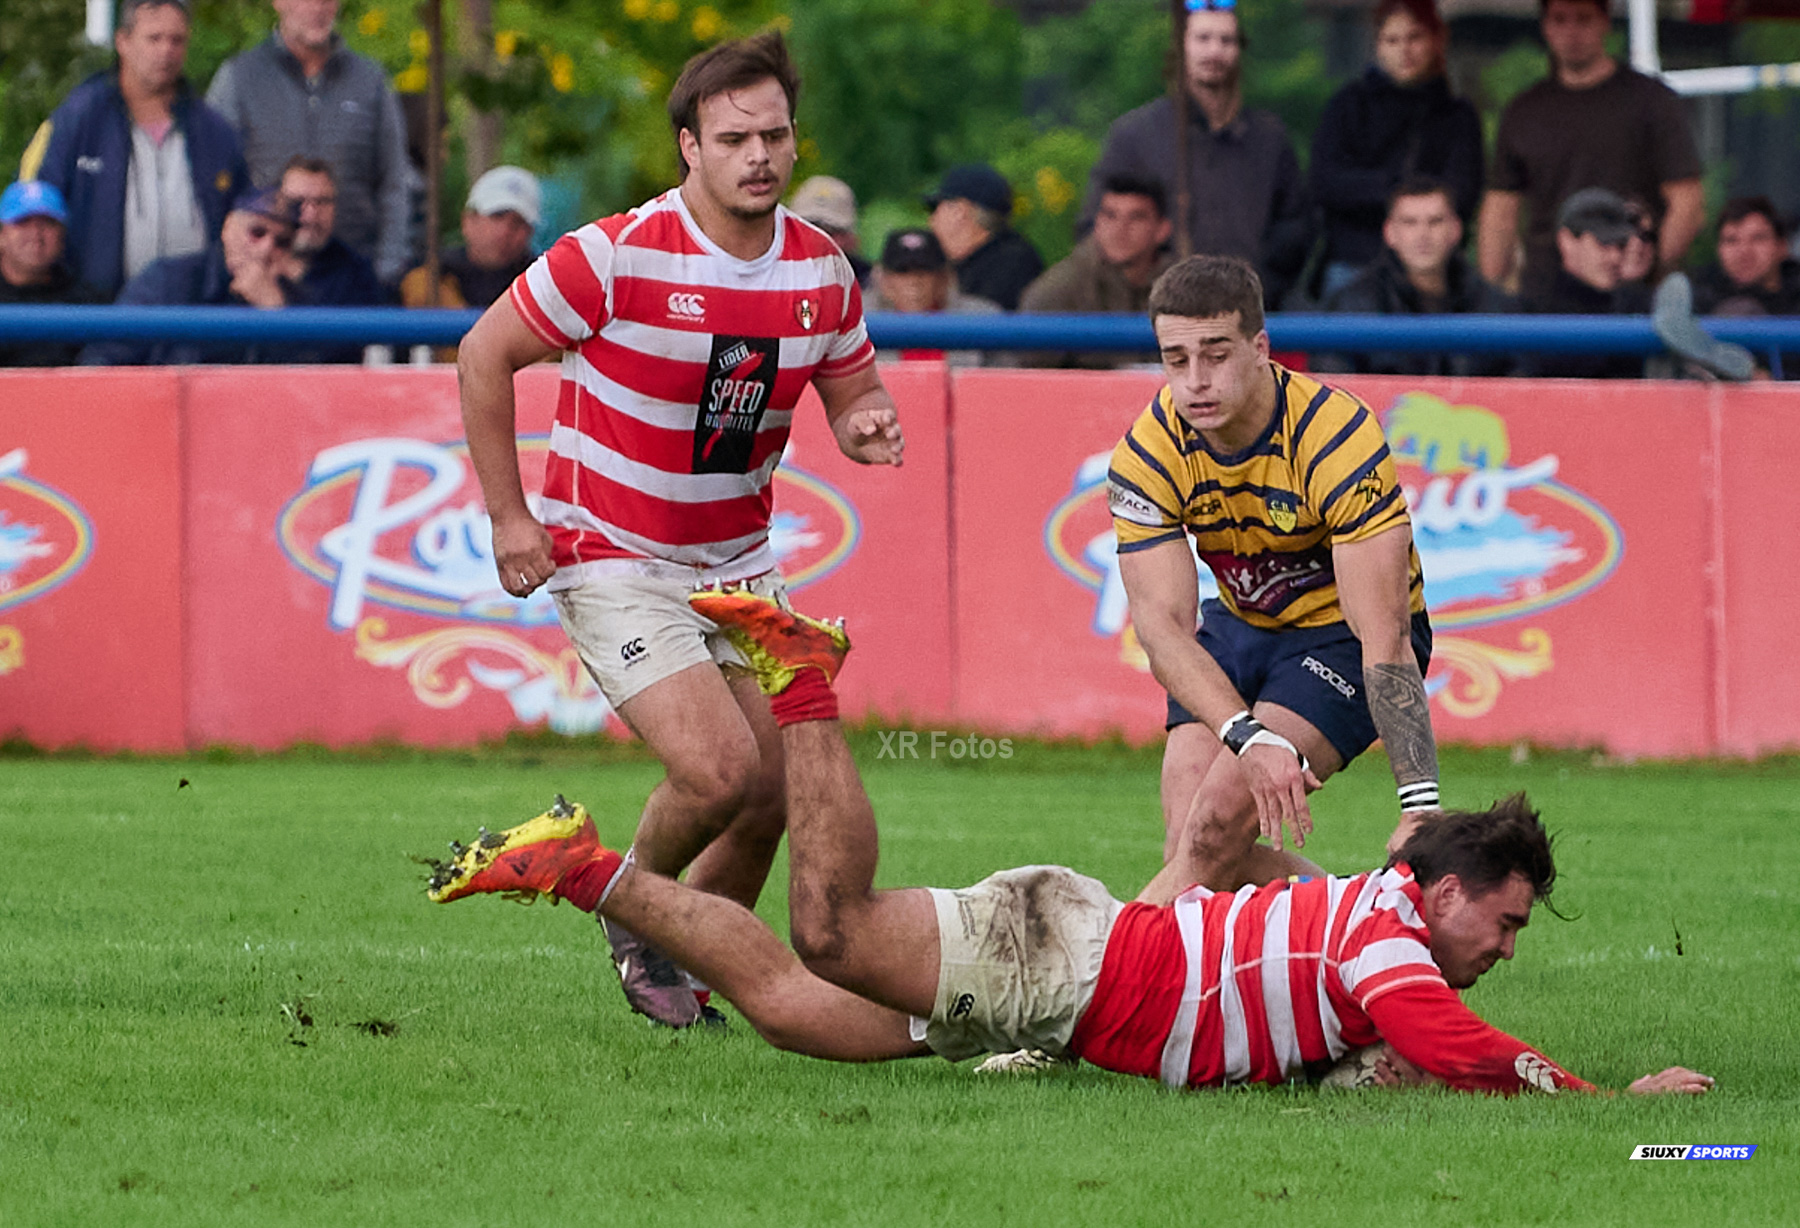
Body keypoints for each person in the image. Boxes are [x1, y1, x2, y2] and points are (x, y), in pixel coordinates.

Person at [423, 589, 1713, 1099]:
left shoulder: (1369, 914)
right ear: (1442, 890)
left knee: (795, 1012)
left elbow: (1372, 1044)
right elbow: (1447, 1043)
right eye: (1506, 920)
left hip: (1070, 988)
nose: (1507, 947)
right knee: (831, 927)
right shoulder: (1389, 940)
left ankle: (577, 866)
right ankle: (805, 684)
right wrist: (1610, 1103)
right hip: (1063, 966)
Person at [454, 30, 904, 1030]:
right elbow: (482, 354)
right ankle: (632, 908)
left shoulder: (821, 268)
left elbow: (853, 390)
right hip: (614, 555)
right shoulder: (612, 254)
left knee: (774, 790)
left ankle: (687, 962)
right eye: (734, 138)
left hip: (739, 563)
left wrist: (867, 423)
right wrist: (510, 516)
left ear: (795, 140)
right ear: (689, 148)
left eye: (774, 135)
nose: (759, 156)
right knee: (718, 770)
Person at [1107, 255, 1436, 895]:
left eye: (1216, 355)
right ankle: (1361, 924)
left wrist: (1418, 802)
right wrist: (1247, 735)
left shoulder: (1336, 436)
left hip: (1339, 637)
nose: (1196, 381)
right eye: (1176, 360)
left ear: (1260, 349)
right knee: (1193, 847)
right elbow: (1162, 629)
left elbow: (1385, 633)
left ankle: (1112, 956)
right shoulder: (1147, 454)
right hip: (1241, 624)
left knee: (1211, 836)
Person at [1079, 3, 1310, 308]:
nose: (1214, 51)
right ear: (1180, 47)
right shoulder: (1135, 135)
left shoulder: (1270, 138)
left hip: (1250, 308)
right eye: (1203, 38)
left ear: (1240, 50)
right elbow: (1095, 227)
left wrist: (1260, 284)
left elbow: (1296, 226)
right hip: (1158, 312)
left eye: (1226, 40)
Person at [20, 0, 249, 301]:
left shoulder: (214, 131)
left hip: (195, 315)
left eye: (177, 40)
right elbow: (32, 206)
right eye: (154, 38)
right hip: (96, 313)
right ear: (123, 42)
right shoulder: (77, 120)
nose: (166, 50)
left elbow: (244, 217)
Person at [1478, 0, 1703, 300]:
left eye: (1583, 19)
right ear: (1545, 27)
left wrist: (1655, 270)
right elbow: (1500, 210)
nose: (1571, 31)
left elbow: (1687, 202)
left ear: (1605, 22)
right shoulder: (1523, 111)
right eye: (1560, 19)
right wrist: (1488, 295)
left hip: (1632, 295)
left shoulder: (1651, 101)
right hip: (1546, 296)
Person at [207, 0, 412, 285]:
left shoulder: (370, 81)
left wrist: (388, 270)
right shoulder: (239, 78)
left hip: (352, 280)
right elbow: (214, 181)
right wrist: (231, 264)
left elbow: (394, 182)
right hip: (262, 275)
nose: (318, 8)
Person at [1309, 0, 1483, 298]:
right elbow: (1326, 182)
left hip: (1434, 268)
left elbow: (1463, 192)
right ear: (1378, 46)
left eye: (1415, 37)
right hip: (1354, 260)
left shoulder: (1456, 115)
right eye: (1392, 40)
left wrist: (1385, 194)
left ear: (1436, 40)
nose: (1405, 50)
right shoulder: (1349, 105)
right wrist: (1397, 187)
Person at [80, 187, 311, 366]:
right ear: (228, 228)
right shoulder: (168, 280)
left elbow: (312, 388)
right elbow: (103, 360)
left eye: (282, 242)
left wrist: (276, 315)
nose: (266, 249)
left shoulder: (294, 301)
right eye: (257, 232)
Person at [1315, 177, 1513, 378]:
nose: (1423, 235)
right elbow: (1331, 382)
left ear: (1456, 230)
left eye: (1435, 221)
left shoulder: (1497, 308)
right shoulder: (1349, 307)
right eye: (1410, 222)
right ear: (1389, 232)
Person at [1019, 174, 1173, 368]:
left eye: (1136, 218)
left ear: (1162, 229)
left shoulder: (1181, 289)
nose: (1120, 229)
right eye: (1110, 216)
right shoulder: (1058, 290)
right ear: (1097, 223)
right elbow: (1029, 374)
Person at [1518, 187, 1650, 379]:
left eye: (1621, 245)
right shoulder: (1531, 310)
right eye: (1603, 243)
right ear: (1567, 240)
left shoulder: (1635, 307)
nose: (1615, 257)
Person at [400, 165, 541, 311]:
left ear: (530, 231)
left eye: (518, 222)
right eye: (497, 216)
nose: (506, 231)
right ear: (468, 220)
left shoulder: (541, 283)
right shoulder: (428, 274)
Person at [863, 228, 1003, 368]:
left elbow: (1005, 374)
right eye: (903, 272)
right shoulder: (860, 318)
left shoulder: (982, 318)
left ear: (944, 278)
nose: (914, 281)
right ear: (884, 280)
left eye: (924, 271)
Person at [0, 182, 103, 367]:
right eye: (23, 222)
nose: (36, 234)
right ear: (2, 235)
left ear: (62, 234)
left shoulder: (87, 302)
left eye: (48, 223)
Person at [923, 163, 1043, 312]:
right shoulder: (980, 260)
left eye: (934, 207)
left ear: (959, 211)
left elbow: (975, 320)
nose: (931, 219)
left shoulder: (1011, 265)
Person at [1690, 196, 1800, 317]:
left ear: (1782, 247)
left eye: (1758, 238)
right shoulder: (1696, 301)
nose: (1743, 251)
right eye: (1731, 240)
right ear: (1718, 249)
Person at [788, 175, 870, 286]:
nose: (817, 239)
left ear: (851, 239)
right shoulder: (769, 277)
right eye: (806, 228)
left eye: (830, 231)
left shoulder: (871, 286)